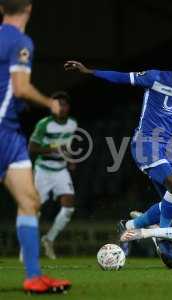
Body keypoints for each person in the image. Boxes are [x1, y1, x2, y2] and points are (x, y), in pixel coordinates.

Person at [64, 58, 172, 232]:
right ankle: (163, 234)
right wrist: (90, 71)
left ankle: (129, 226)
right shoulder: (155, 78)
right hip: (145, 143)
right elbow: (122, 77)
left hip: (167, 147)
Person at [0, 0, 70, 293]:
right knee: (29, 203)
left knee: (30, 201)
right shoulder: (20, 41)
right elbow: (21, 88)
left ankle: (33, 276)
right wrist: (50, 103)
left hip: (11, 134)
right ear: (28, 8)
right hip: (3, 131)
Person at [29, 91, 77, 259]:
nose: (60, 108)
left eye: (63, 104)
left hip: (60, 169)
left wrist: (70, 159)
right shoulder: (44, 124)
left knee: (69, 206)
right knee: (35, 210)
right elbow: (32, 148)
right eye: (57, 105)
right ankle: (27, 247)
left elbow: (67, 146)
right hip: (43, 170)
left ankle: (49, 239)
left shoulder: (72, 124)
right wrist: (53, 149)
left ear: (68, 107)